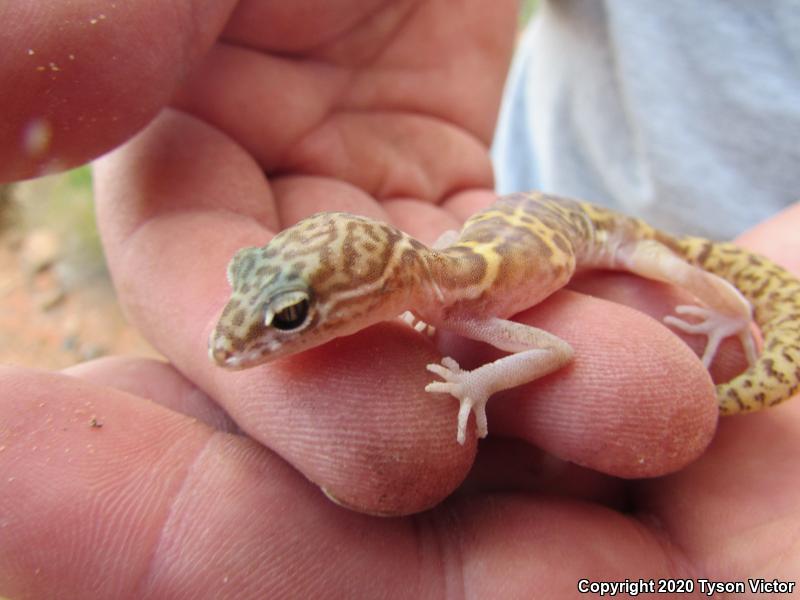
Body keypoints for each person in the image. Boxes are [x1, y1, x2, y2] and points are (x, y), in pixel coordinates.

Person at [0, 2, 798, 597]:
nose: (249, 345)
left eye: (290, 322)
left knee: (662, 260)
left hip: (594, 227)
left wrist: (479, 380)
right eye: (269, 298)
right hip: (534, 201)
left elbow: (554, 349)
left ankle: (737, 300)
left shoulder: (457, 305)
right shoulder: (424, 286)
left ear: (375, 295)